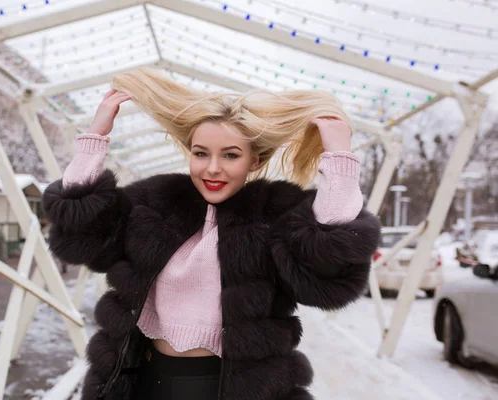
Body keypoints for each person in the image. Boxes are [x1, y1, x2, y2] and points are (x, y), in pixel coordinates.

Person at [42, 68, 381, 400]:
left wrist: (339, 160)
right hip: (138, 380)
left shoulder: (275, 213)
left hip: (227, 387)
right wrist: (94, 138)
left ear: (255, 161)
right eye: (201, 153)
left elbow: (332, 266)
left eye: (230, 155)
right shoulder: (156, 202)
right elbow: (78, 234)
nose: (213, 168)